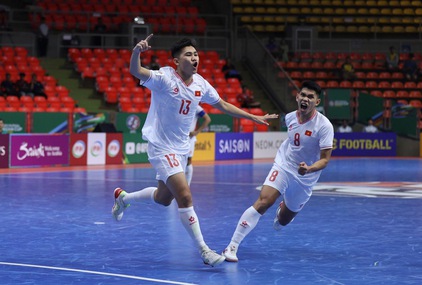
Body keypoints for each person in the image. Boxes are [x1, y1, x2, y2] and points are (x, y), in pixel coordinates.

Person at [111, 35, 278, 267]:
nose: (194, 58)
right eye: (188, 55)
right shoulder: (164, 78)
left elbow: (223, 105)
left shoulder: (200, 83)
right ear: (176, 61)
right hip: (161, 146)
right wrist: (137, 52)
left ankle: (123, 198)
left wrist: (252, 116)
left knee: (163, 198)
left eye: (196, 54)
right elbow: (137, 71)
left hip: (180, 149)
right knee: (185, 196)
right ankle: (204, 250)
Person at [222, 81, 334, 262]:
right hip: (284, 165)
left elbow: (325, 159)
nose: (305, 99)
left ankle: (284, 209)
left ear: (317, 102)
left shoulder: (324, 126)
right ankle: (232, 246)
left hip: (305, 177)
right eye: (303, 95)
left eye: (310, 97)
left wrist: (309, 168)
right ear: (297, 97)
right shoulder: (289, 117)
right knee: (264, 201)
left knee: (283, 221)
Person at [185, 104, 211, 185]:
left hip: (189, 138)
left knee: (188, 161)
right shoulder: (178, 103)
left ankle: (187, 185)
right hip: (178, 137)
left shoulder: (196, 107)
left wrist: (196, 132)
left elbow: (207, 119)